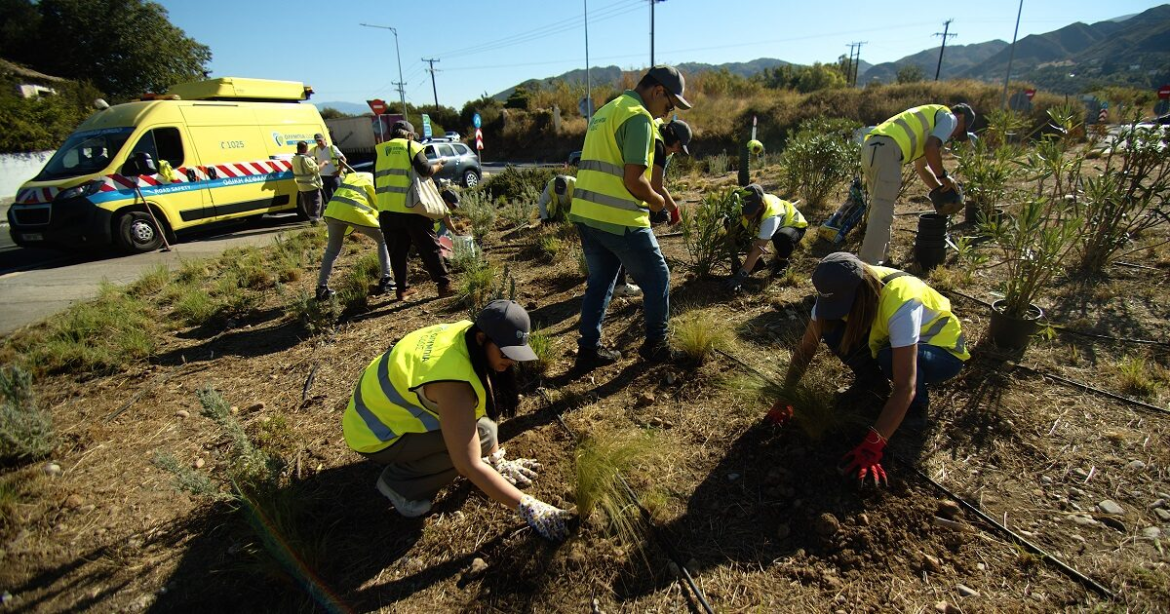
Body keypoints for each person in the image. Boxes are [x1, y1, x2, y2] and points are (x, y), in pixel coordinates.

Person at [342, 300, 573, 541]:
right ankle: (400, 485)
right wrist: (530, 507)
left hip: (377, 410)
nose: (512, 362)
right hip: (372, 433)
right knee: (468, 447)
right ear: (483, 339)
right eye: (506, 353)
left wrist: (497, 461)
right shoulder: (452, 382)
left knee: (484, 432)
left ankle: (416, 468)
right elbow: (468, 465)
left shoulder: (466, 334)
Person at [781, 252, 970, 486]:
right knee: (832, 328)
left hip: (942, 351)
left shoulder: (901, 299)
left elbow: (904, 385)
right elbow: (806, 349)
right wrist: (785, 397)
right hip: (894, 342)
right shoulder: (834, 287)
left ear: (859, 290)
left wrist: (873, 444)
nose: (838, 308)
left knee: (889, 358)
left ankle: (916, 410)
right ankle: (871, 384)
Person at [569, 65, 692, 367]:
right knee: (659, 277)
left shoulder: (607, 111)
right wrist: (657, 203)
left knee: (601, 280)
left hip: (586, 215)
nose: (667, 113)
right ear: (657, 91)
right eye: (669, 104)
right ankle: (656, 345)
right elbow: (635, 181)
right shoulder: (639, 118)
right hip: (619, 219)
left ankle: (587, 350)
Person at [859, 103, 975, 265]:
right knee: (883, 208)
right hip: (887, 151)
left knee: (881, 208)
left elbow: (922, 168)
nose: (955, 135)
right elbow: (931, 148)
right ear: (961, 117)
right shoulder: (949, 118)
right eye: (960, 131)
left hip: (871, 148)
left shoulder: (929, 120)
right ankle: (869, 265)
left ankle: (883, 260)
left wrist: (939, 188)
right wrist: (944, 177)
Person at [374, 120, 454, 301]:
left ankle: (402, 290)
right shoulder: (411, 146)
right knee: (429, 246)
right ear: (409, 135)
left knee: (397, 252)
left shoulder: (379, 150)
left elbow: (376, 180)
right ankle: (444, 285)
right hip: (412, 207)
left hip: (386, 208)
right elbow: (425, 170)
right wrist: (438, 166)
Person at [315, 171, 394, 301]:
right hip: (353, 211)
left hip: (333, 211)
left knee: (332, 249)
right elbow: (379, 207)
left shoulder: (354, 178)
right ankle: (386, 279)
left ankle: (322, 288)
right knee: (382, 240)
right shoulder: (377, 182)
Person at [723, 183, 807, 293]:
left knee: (782, 238)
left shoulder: (771, 217)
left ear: (760, 206)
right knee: (729, 223)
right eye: (743, 211)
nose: (745, 216)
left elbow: (758, 248)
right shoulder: (740, 203)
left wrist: (740, 277)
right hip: (762, 226)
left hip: (791, 224)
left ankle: (782, 262)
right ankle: (757, 263)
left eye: (749, 212)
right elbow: (731, 234)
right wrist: (734, 259)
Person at [649, 118, 692, 226]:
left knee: (660, 213)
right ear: (673, 138)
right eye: (680, 146)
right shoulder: (658, 146)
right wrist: (674, 210)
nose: (679, 150)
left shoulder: (668, 149)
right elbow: (656, 186)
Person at [291, 140, 324, 225]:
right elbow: (316, 169)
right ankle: (315, 220)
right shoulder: (305, 159)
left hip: (301, 186)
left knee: (307, 203)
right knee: (315, 202)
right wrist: (324, 164)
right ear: (305, 148)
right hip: (311, 185)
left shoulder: (294, 158)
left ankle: (311, 218)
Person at [313, 133, 347, 203]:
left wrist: (339, 171)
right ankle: (333, 210)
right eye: (317, 141)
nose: (319, 142)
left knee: (339, 195)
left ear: (324, 140)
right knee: (329, 197)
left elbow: (343, 159)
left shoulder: (331, 148)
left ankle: (341, 208)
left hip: (333, 176)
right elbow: (306, 155)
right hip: (323, 176)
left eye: (320, 140)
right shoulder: (315, 149)